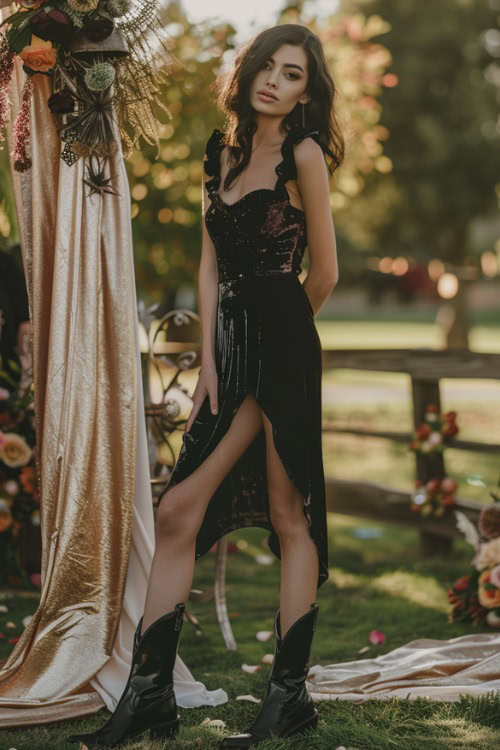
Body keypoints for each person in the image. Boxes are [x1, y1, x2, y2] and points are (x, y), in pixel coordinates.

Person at [70, 22, 343, 749]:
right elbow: (209, 264)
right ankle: (149, 695)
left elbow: (325, 274)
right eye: (267, 67)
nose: (274, 82)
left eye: (292, 75)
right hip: (230, 352)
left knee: (284, 515)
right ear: (248, 71)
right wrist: (215, 359)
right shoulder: (218, 153)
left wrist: (279, 348)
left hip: (282, 348)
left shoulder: (304, 154)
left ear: (306, 92)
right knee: (182, 514)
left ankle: (286, 699)